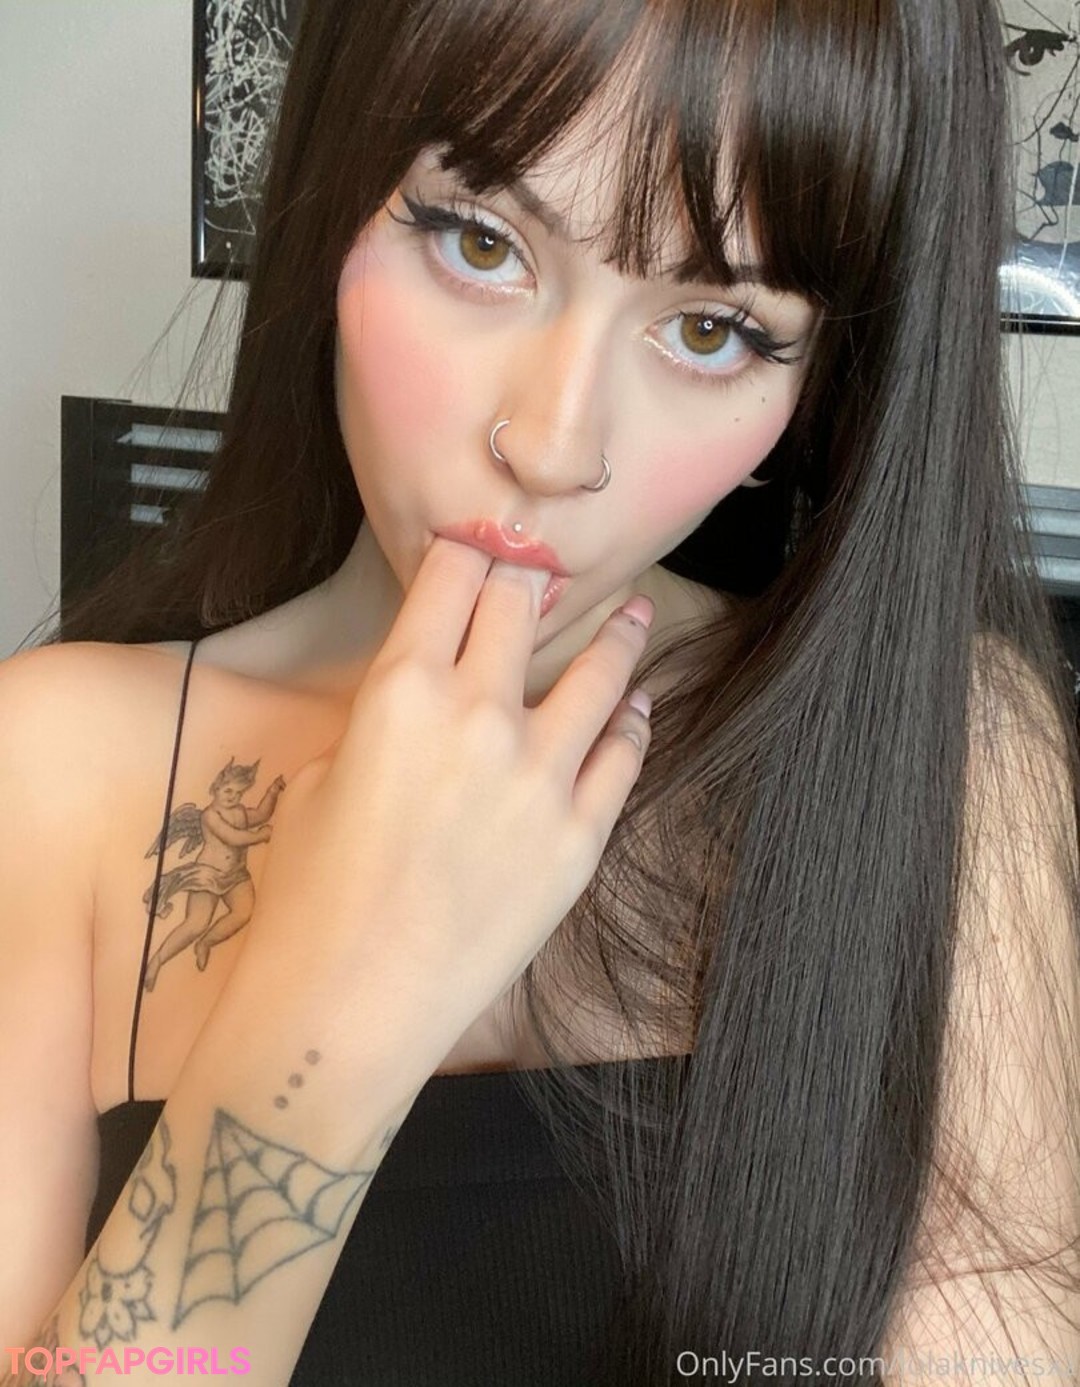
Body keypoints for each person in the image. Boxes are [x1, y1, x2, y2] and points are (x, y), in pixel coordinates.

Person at [2, 0, 1078, 1383]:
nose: (553, 445)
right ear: (332, 204)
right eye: (478, 241)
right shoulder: (56, 770)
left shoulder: (955, 770)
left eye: (714, 328)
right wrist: (339, 1002)